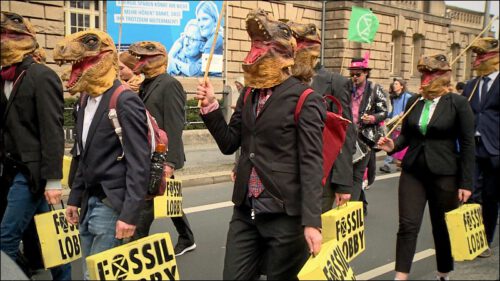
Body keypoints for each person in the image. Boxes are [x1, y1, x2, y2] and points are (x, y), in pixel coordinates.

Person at [196, 9, 324, 279]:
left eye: (266, 45)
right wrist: (211, 108)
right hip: (246, 211)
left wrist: (312, 222)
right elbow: (230, 143)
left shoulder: (306, 98)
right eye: (256, 45)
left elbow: (312, 163)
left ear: (285, 54)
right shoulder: (249, 94)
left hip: (284, 215)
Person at [54, 30, 151, 280]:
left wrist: (129, 215)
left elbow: (139, 164)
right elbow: (82, 154)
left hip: (111, 205)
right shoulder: (84, 100)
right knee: (91, 271)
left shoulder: (125, 100)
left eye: (89, 43)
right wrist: (74, 198)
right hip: (88, 202)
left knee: (96, 277)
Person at [378, 53, 475, 281]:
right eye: (423, 74)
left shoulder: (458, 103)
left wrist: (466, 182)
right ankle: (401, 275)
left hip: (445, 174)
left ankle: (443, 272)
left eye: (430, 74)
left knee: (441, 227)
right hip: (413, 171)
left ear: (443, 76)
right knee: (407, 225)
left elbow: (469, 143)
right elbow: (408, 137)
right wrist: (393, 146)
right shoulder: (415, 102)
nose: (425, 78)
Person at [0, 11, 71, 280]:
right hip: (10, 169)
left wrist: (53, 181)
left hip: (32, 172)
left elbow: (52, 131)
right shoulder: (2, 76)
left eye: (13, 34)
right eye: (1, 34)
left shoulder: (42, 76)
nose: (5, 40)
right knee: (50, 235)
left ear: (28, 39)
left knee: (5, 240)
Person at [129, 41, 196, 256]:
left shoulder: (170, 84)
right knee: (168, 199)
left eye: (147, 55)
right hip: (147, 153)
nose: (140, 60)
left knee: (148, 200)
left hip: (161, 156)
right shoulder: (144, 84)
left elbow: (175, 125)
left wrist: (169, 163)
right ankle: (187, 238)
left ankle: (136, 247)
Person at [462, 37, 499, 258]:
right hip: (472, 149)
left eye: (481, 56)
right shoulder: (470, 85)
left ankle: (486, 239)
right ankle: (471, 238)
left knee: (491, 197)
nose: (476, 61)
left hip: (495, 149)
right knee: (470, 194)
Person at [347, 54, 388, 215]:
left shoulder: (375, 89)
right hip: (348, 137)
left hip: (365, 138)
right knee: (348, 174)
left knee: (357, 175)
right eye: (352, 74)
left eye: (358, 74)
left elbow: (384, 111)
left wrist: (372, 118)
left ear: (366, 73)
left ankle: (351, 211)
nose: (354, 77)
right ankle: (361, 203)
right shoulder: (346, 87)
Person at [380, 77, 413, 173]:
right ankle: (388, 164)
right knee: (390, 142)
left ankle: (391, 162)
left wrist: (404, 113)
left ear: (402, 86)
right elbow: (394, 111)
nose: (394, 85)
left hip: (401, 124)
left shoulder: (407, 97)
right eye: (394, 84)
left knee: (397, 143)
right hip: (393, 123)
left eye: (396, 84)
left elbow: (410, 109)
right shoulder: (394, 97)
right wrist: (386, 117)